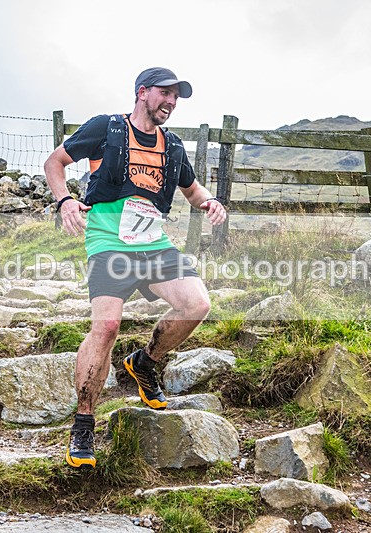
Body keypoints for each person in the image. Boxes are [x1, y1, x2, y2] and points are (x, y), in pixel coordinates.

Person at [44, 67, 227, 468]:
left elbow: (192, 190)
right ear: (142, 92)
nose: (171, 102)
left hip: (154, 244)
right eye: (165, 93)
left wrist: (210, 202)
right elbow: (54, 162)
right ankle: (84, 422)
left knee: (196, 305)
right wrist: (65, 201)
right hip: (109, 242)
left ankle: (145, 362)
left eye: (176, 97)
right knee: (107, 326)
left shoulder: (173, 146)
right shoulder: (106, 129)